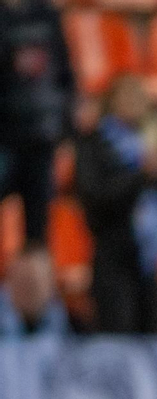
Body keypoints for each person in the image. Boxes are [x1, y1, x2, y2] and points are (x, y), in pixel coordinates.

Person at [74, 73, 157, 334]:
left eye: (139, 96)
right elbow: (96, 198)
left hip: (147, 259)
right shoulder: (95, 145)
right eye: (127, 95)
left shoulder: (151, 144)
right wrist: (141, 175)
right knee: (118, 337)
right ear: (111, 101)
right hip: (112, 257)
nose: (135, 103)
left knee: (153, 335)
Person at [0, 0, 73, 247]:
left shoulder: (46, 14)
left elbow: (64, 73)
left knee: (37, 230)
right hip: (5, 135)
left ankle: (35, 266)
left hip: (41, 134)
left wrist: (66, 129)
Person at [0, 245, 70, 338]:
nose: (29, 290)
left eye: (35, 281)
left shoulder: (70, 327)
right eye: (23, 281)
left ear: (51, 284)